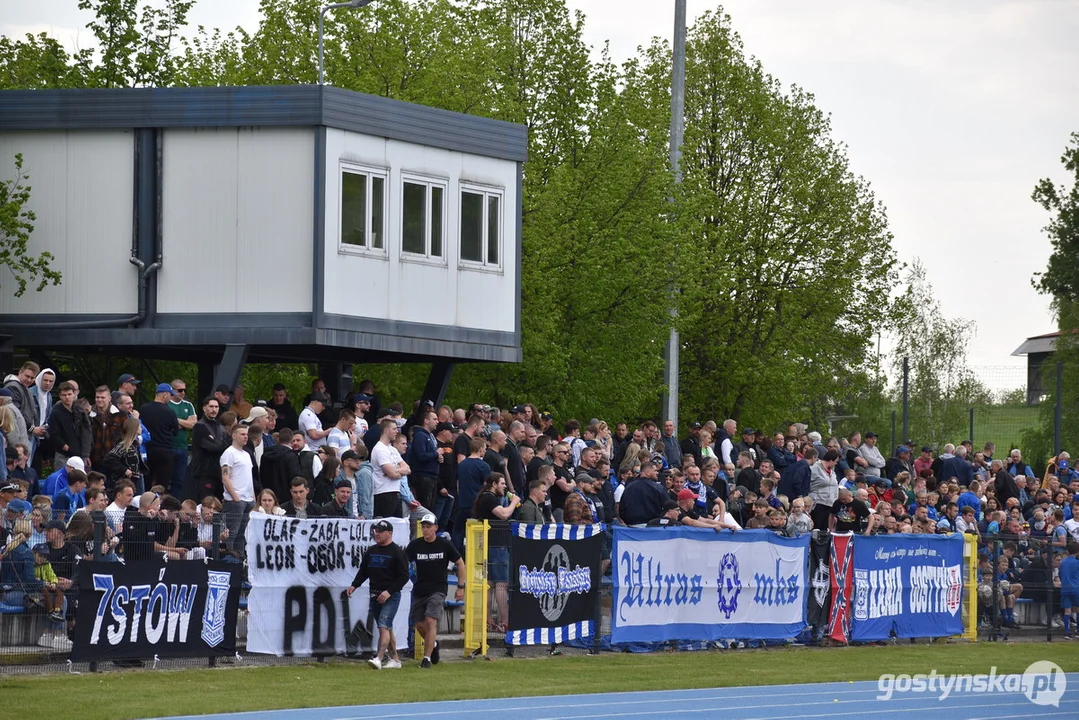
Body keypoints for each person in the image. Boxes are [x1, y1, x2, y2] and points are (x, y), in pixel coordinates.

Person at [347, 519, 410, 670]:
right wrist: (354, 585)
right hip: (374, 595)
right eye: (376, 531)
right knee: (386, 627)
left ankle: (379, 658)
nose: (377, 534)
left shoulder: (397, 552)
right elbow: (364, 571)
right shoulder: (371, 551)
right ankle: (395, 659)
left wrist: (389, 592)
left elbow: (404, 576)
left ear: (390, 533)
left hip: (390, 596)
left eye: (381, 531)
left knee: (383, 626)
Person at [406, 513, 464, 668]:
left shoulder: (444, 544)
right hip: (420, 588)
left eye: (428, 527)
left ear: (436, 528)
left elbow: (460, 563)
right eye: (423, 527)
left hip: (438, 588)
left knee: (431, 620)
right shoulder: (415, 545)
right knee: (419, 625)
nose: (425, 530)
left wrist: (460, 586)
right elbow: (404, 562)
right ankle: (434, 645)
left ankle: (426, 658)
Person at [473, 472, 519, 631]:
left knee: (490, 584)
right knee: (501, 584)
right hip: (495, 545)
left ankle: (488, 621)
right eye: (502, 483)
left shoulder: (486, 498)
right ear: (493, 484)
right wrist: (513, 503)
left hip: (491, 544)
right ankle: (505, 623)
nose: (505, 487)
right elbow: (504, 514)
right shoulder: (489, 498)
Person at [220, 424, 256, 554]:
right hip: (236, 499)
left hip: (248, 499)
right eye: (242, 434)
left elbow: (249, 478)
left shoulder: (246, 454)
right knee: (232, 533)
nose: (245, 437)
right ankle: (228, 558)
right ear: (234, 436)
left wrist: (253, 498)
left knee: (243, 534)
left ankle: (240, 559)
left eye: (247, 434)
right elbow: (225, 477)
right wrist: (235, 497)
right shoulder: (229, 453)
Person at [371, 418, 410, 518]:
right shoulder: (379, 449)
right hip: (384, 493)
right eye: (394, 429)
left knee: (397, 525)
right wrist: (396, 471)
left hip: (396, 492)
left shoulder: (392, 449)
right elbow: (392, 474)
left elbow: (408, 469)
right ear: (386, 430)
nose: (397, 431)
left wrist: (396, 470)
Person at [1061, 543, 1079, 639]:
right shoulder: (1077, 562)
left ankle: (1067, 632)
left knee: (1067, 610)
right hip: (1076, 588)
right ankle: (1077, 631)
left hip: (1065, 587)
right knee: (1077, 609)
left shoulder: (1063, 562)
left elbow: (1060, 574)